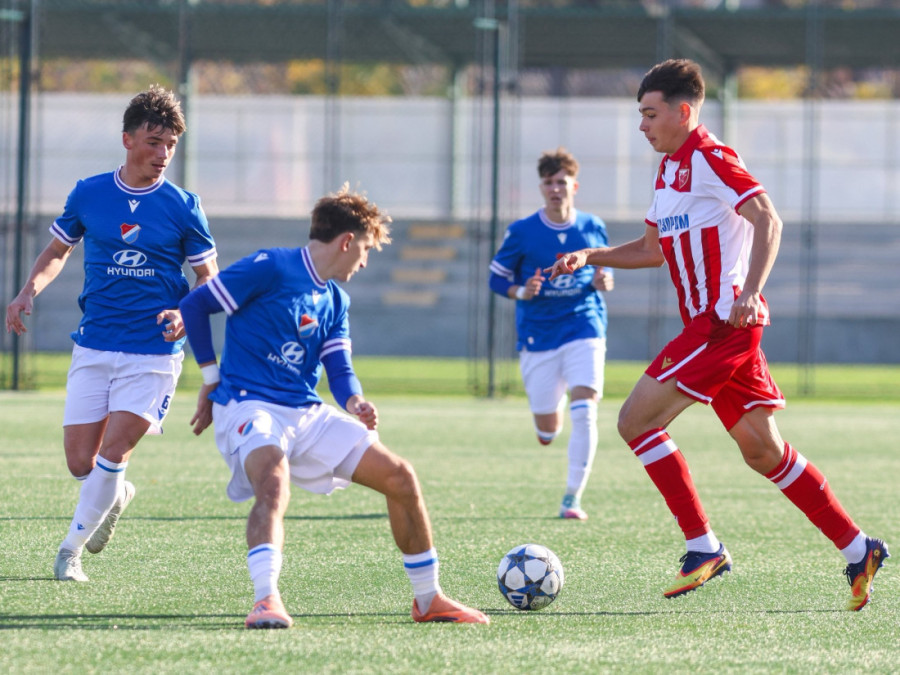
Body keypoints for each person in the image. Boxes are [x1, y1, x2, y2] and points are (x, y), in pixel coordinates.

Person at [547, 59, 888, 610]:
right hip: (716, 330)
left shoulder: (711, 156)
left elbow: (768, 219)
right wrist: (591, 255)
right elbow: (651, 250)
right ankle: (859, 547)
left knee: (635, 421)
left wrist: (751, 290)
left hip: (721, 324)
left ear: (684, 111)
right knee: (762, 450)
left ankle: (703, 547)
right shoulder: (668, 171)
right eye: (640, 115)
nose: (642, 125)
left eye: (650, 114)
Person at [178, 184, 490, 629]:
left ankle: (428, 598)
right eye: (365, 249)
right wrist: (210, 380)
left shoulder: (336, 300)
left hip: (305, 413)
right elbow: (195, 305)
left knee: (401, 477)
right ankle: (266, 600)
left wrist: (355, 400)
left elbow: (339, 370)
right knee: (273, 481)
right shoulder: (271, 266)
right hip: (249, 405)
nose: (364, 262)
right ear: (346, 242)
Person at [5, 85, 218, 582]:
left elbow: (209, 278)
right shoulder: (89, 192)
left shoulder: (184, 206)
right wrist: (27, 291)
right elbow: (57, 251)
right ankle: (116, 493)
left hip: (153, 351)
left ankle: (70, 552)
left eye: (171, 145)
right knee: (82, 463)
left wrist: (187, 312)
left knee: (113, 453)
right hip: (95, 342)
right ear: (127, 140)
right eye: (153, 142)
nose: (163, 154)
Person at [489, 148, 614, 520]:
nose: (556, 188)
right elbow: (496, 278)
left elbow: (604, 267)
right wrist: (521, 291)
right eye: (549, 183)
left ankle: (572, 498)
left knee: (586, 409)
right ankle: (549, 415)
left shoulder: (592, 226)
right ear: (541, 188)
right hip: (539, 335)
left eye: (562, 182)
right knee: (548, 429)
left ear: (574, 186)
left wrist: (604, 280)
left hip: (584, 325)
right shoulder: (522, 231)